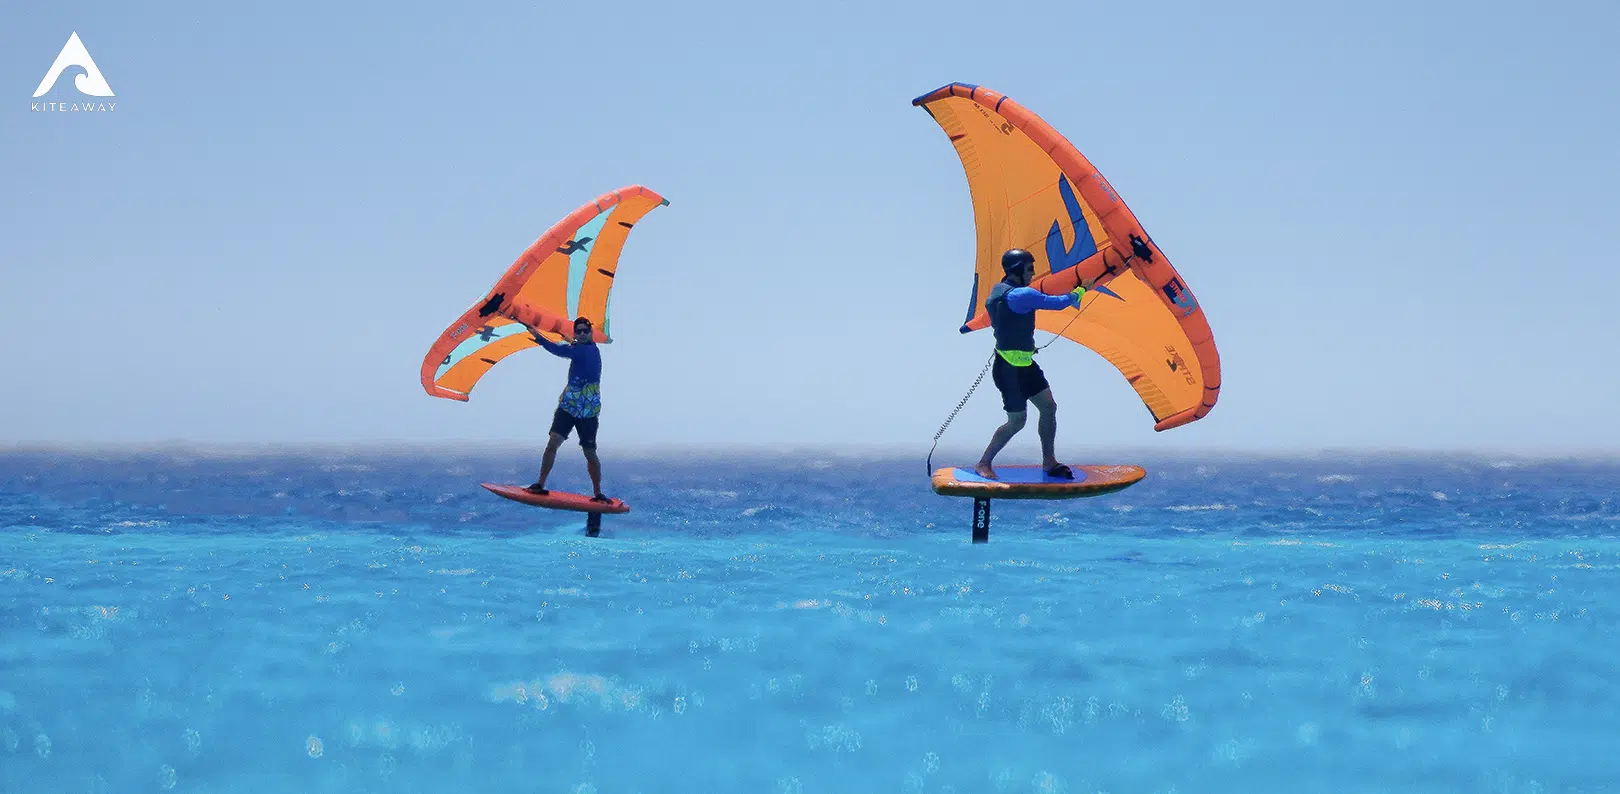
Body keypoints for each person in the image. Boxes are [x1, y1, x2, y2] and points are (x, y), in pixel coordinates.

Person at [975, 248, 1092, 481]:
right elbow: (1059, 303)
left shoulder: (997, 292)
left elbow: (1009, 325)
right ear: (1017, 270)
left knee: (1049, 407)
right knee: (1017, 422)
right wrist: (1082, 289)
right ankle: (983, 463)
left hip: (1025, 364)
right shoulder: (1020, 295)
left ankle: (1049, 461)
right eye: (1030, 268)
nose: (1034, 273)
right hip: (1009, 370)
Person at [524, 316, 610, 502]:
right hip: (568, 406)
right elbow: (576, 345)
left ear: (590, 333)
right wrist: (566, 336)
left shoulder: (588, 351)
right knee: (553, 443)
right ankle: (540, 484)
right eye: (577, 331)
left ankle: (598, 493)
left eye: (584, 331)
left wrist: (536, 335)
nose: (581, 334)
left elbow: (557, 350)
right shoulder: (581, 347)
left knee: (589, 452)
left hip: (588, 412)